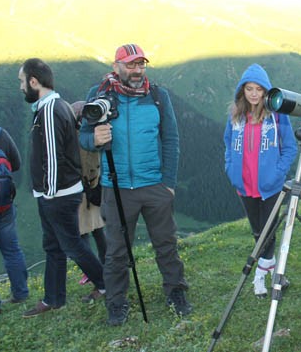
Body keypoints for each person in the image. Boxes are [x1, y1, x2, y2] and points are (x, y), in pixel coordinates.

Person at [79, 44, 191, 326]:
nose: (137, 70)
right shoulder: (99, 95)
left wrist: (168, 184)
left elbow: (172, 140)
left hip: (154, 185)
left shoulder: (157, 95)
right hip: (114, 187)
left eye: (141, 64)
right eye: (130, 64)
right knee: (117, 251)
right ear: (116, 66)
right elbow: (82, 136)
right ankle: (117, 303)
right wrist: (94, 140)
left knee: (166, 244)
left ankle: (176, 293)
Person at [18, 58, 105, 318]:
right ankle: (53, 299)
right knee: (55, 246)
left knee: (72, 246)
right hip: (60, 192)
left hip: (58, 194)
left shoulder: (49, 110)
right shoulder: (56, 106)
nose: (21, 87)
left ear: (34, 81)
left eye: (23, 81)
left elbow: (54, 157)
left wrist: (49, 192)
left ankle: (106, 284)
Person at [224, 63, 297, 298]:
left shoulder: (277, 116)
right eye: (249, 89)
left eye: (259, 89)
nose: (254, 94)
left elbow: (291, 148)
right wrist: (230, 169)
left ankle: (259, 277)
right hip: (245, 186)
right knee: (258, 232)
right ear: (242, 91)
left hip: (270, 187)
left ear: (266, 91)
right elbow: (227, 144)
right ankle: (277, 274)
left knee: (268, 231)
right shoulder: (236, 116)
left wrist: (278, 173)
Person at [0, 125, 29, 317]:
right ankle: (21, 293)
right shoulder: (0, 133)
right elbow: (15, 164)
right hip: (3, 203)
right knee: (11, 249)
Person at [71, 101, 107, 286]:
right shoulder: (91, 134)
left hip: (83, 189)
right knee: (96, 230)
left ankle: (94, 268)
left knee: (83, 232)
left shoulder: (78, 137)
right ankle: (102, 265)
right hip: (92, 187)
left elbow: (89, 163)